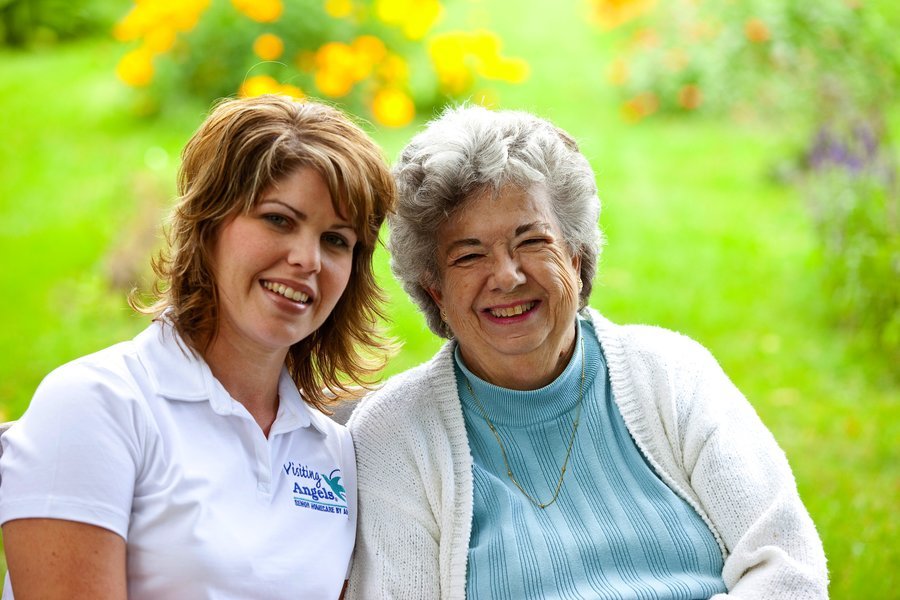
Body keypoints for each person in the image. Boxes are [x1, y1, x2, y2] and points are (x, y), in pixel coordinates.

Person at [346, 105, 828, 599]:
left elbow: (787, 566)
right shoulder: (395, 435)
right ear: (435, 291)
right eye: (469, 255)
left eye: (531, 241)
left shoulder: (672, 374)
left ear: (576, 260)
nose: (507, 276)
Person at [0, 94, 396, 599]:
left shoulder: (331, 451)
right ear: (208, 227)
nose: (307, 259)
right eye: (278, 219)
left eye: (336, 240)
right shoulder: (97, 404)